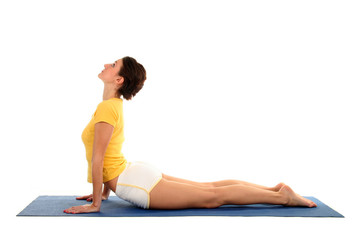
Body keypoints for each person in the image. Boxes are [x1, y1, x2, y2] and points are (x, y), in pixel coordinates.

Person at [64, 56, 317, 214]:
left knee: (212, 197)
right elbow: (107, 153)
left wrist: (96, 203)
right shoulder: (112, 105)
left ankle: (281, 197)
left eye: (113, 64)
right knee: (209, 188)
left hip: (135, 182)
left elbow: (99, 159)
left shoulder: (106, 107)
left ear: (118, 79)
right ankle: (274, 190)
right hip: (132, 173)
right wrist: (104, 191)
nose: (106, 64)